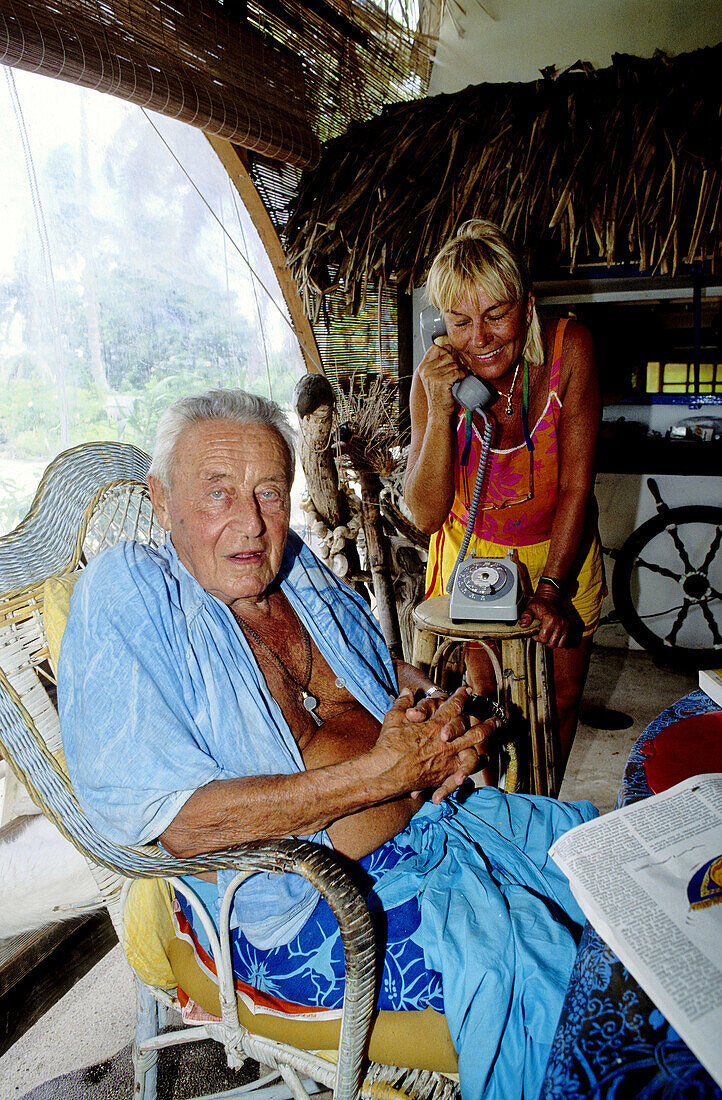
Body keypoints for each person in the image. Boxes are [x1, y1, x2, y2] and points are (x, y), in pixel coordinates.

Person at [58, 388, 596, 1100]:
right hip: (303, 917)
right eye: (217, 494)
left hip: (439, 828)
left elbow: (379, 678)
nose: (250, 524)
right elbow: (183, 824)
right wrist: (384, 774)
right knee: (570, 995)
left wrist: (442, 724)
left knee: (616, 887)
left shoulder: (292, 568)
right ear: (161, 502)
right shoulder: (132, 592)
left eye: (269, 493)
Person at [404, 219, 605, 766]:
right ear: (440, 321)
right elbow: (423, 514)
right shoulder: (437, 376)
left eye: (497, 315)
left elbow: (575, 489)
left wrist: (552, 588)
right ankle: (502, 821)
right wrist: (442, 407)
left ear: (528, 306)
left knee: (559, 704)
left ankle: (544, 817)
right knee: (489, 706)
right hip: (478, 554)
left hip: (561, 546)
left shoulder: (572, 349)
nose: (481, 338)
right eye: (461, 321)